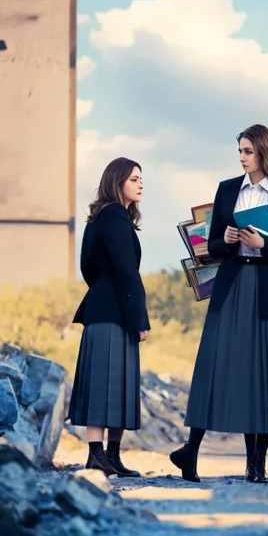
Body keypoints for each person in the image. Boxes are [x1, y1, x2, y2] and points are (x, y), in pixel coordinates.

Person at [170, 124, 268, 484]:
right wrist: (226, 238)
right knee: (215, 364)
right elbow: (210, 245)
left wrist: (266, 244)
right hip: (232, 287)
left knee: (266, 372)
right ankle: (190, 453)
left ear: (263, 151)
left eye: (248, 151)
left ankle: (256, 465)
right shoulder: (228, 189)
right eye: (240, 152)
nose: (243, 158)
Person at [68, 157, 151, 477]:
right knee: (107, 384)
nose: (140, 184)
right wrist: (139, 318)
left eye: (141, 179)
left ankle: (110, 457)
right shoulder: (114, 215)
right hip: (113, 314)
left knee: (115, 384)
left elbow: (89, 267)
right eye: (134, 179)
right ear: (117, 182)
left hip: (105, 309)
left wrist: (103, 289)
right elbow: (127, 271)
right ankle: (97, 456)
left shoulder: (101, 216)